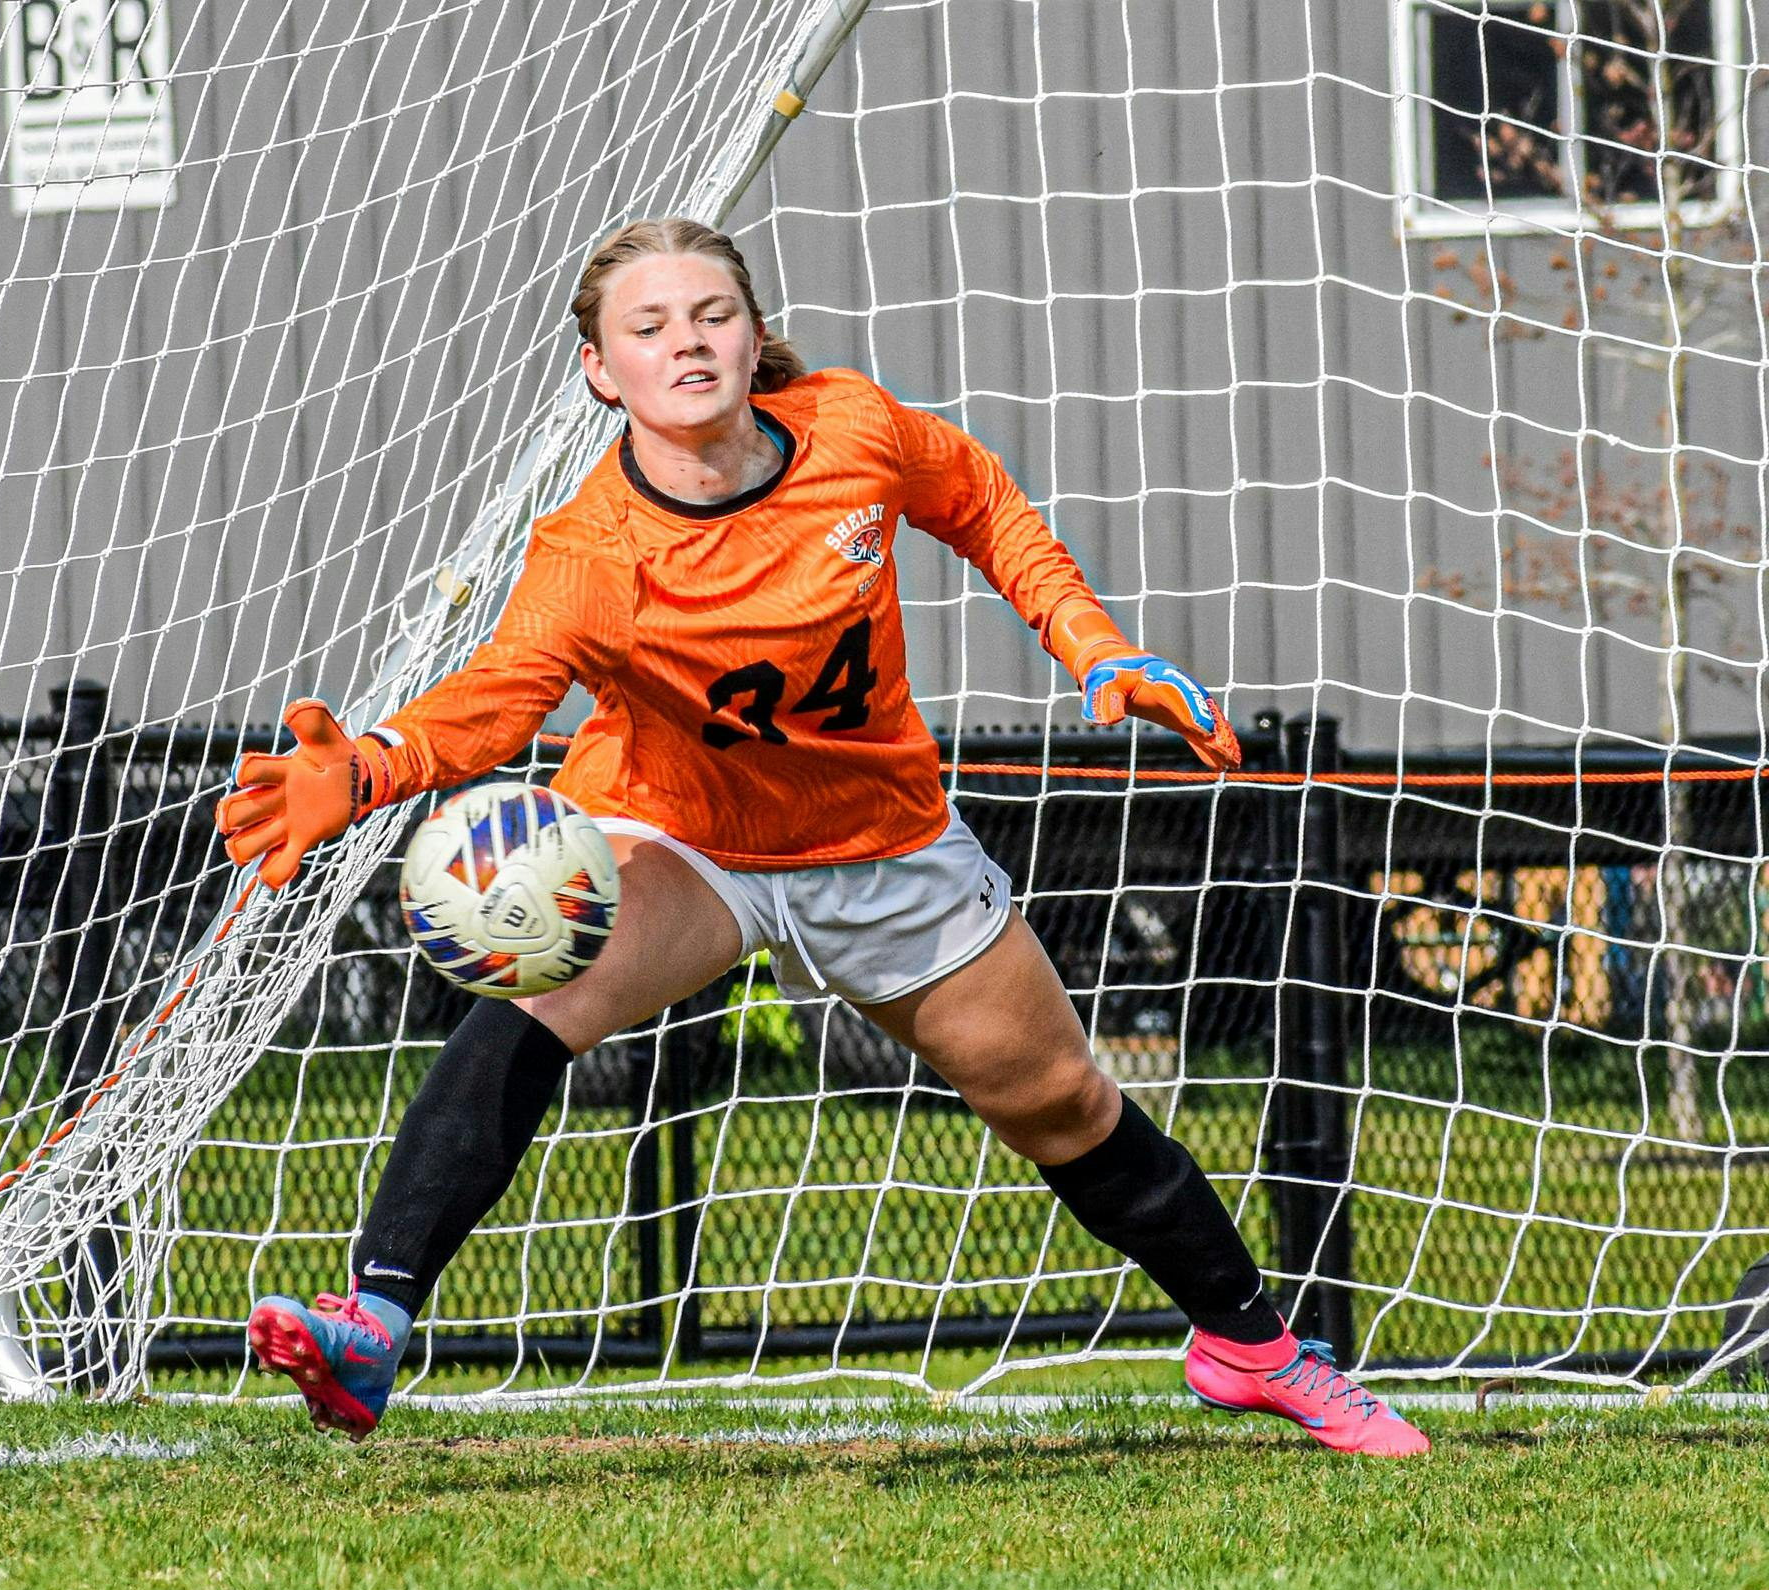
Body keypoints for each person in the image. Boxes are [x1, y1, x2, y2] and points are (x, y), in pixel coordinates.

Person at [215, 217, 1428, 1457]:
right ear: (598, 369)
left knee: (1059, 1100)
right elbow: (499, 693)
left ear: (752, 335)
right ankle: (373, 1318)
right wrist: (369, 767)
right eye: (648, 327)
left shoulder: (850, 428)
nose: (685, 341)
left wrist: (1093, 643)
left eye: (710, 315)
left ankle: (1251, 1348)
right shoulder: (591, 553)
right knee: (539, 988)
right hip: (681, 836)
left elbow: (984, 504)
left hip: (882, 844)